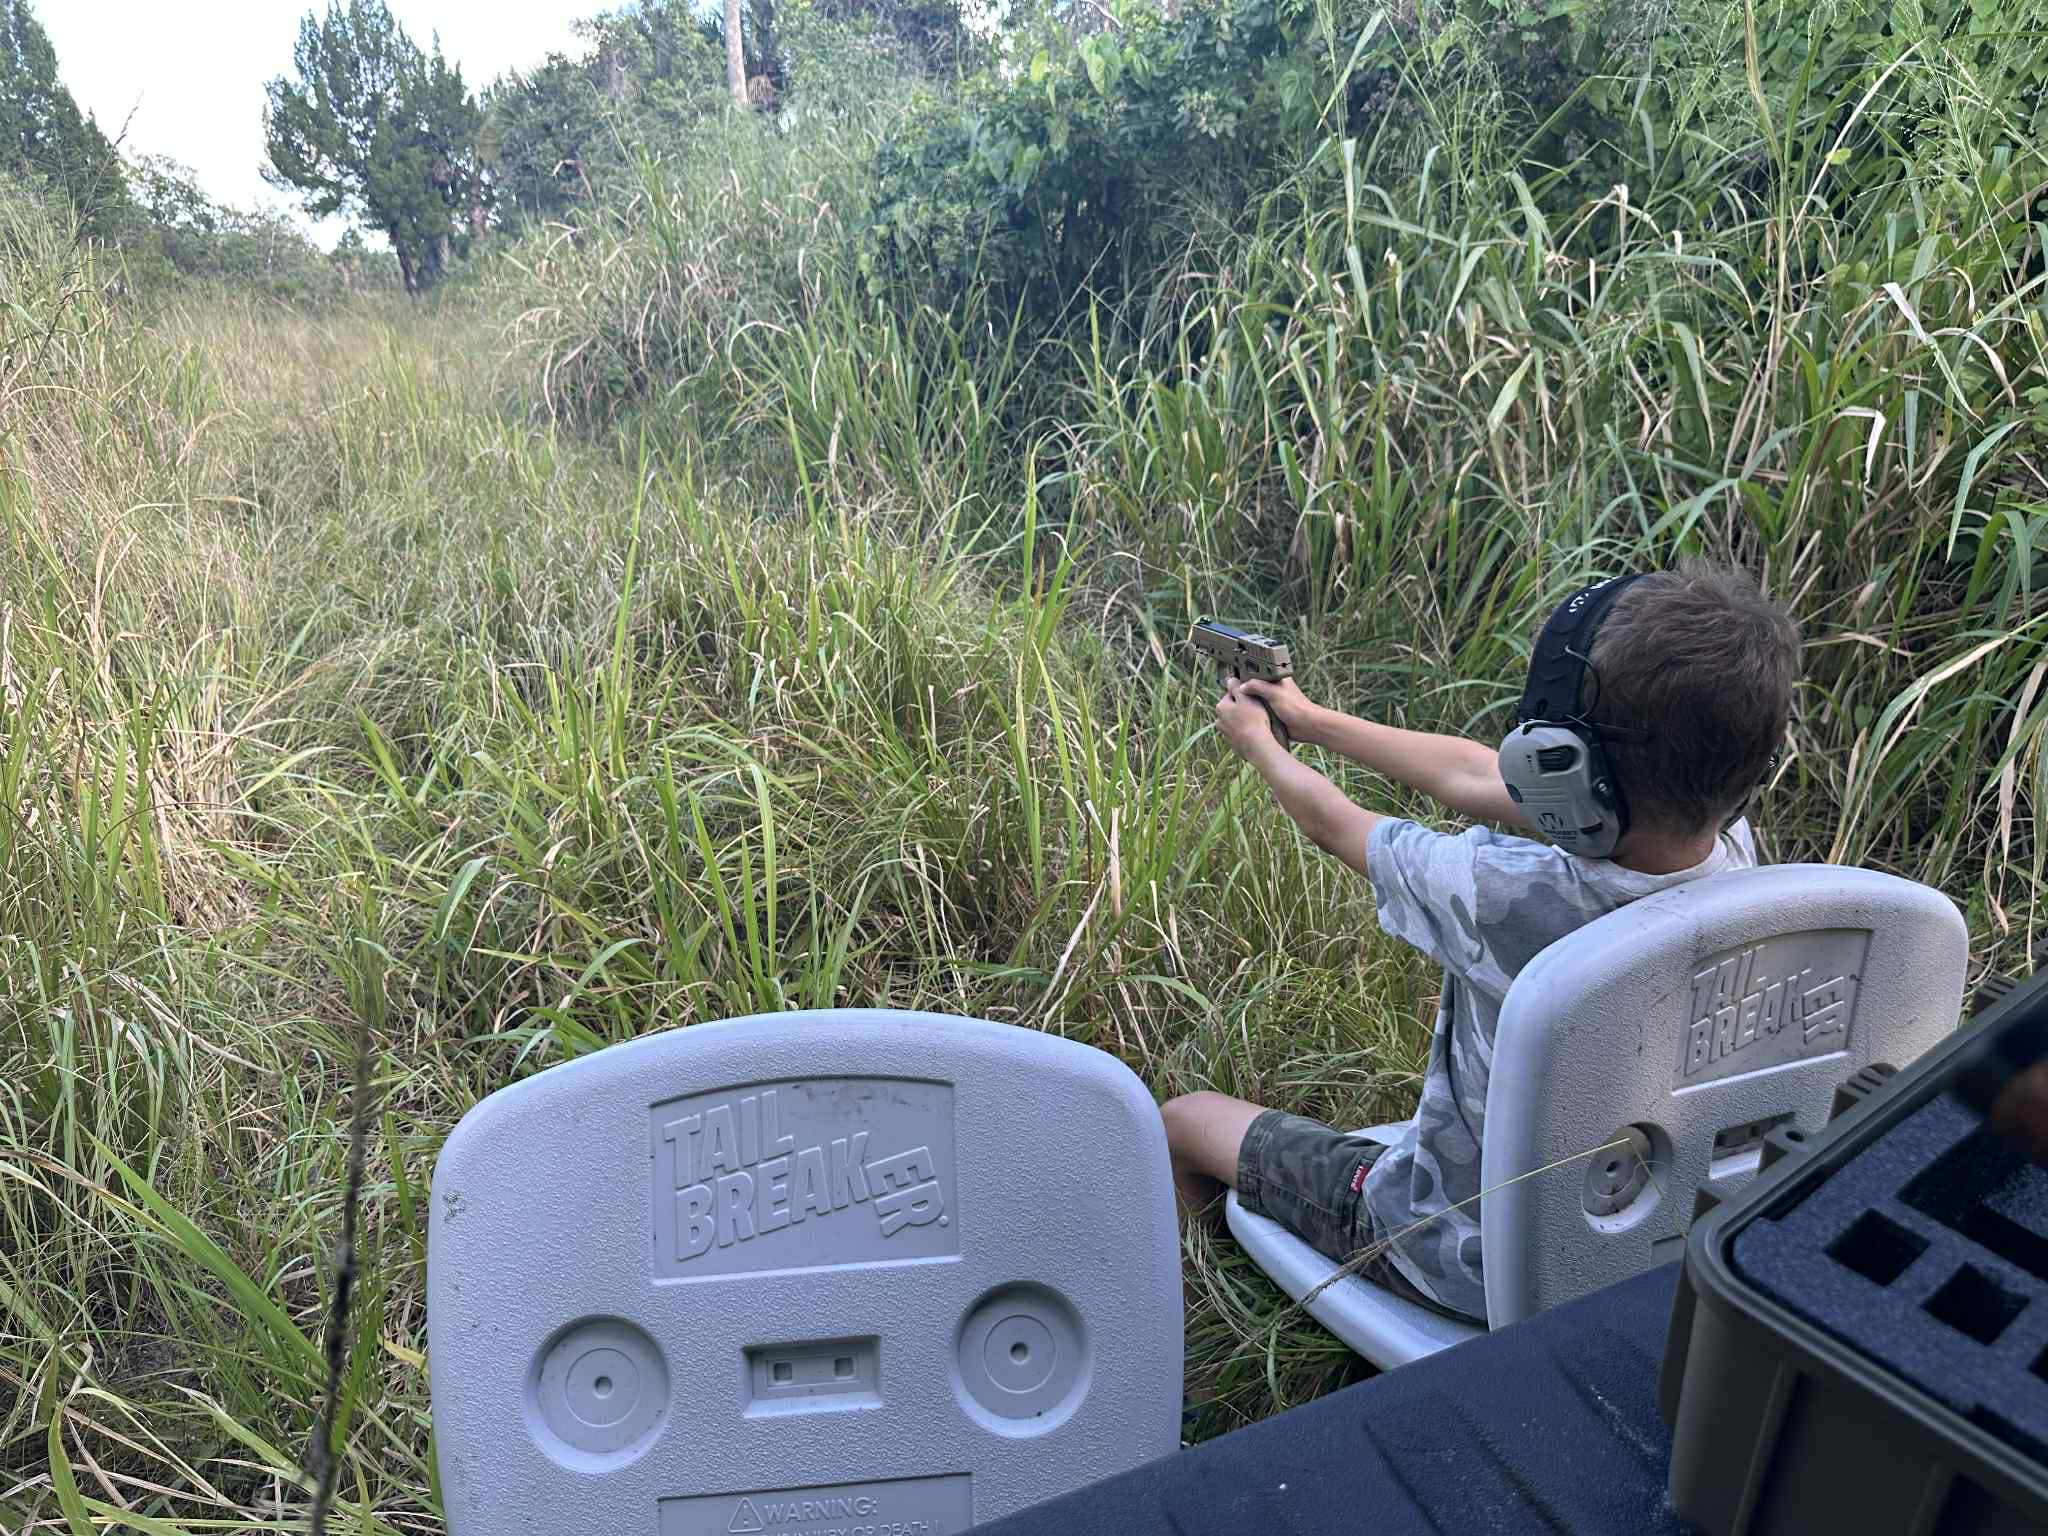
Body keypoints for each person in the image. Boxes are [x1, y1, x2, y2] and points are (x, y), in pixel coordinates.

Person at [1161, 561, 1803, 1323]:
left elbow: (1333, 824)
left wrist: (1262, 748)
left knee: (1183, 1121)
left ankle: (1205, 1321)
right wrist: (1313, 720)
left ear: (1565, 767)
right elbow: (1472, 776)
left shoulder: (1498, 894)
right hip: (1654, 1246)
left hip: (1466, 1259)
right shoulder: (1740, 858)